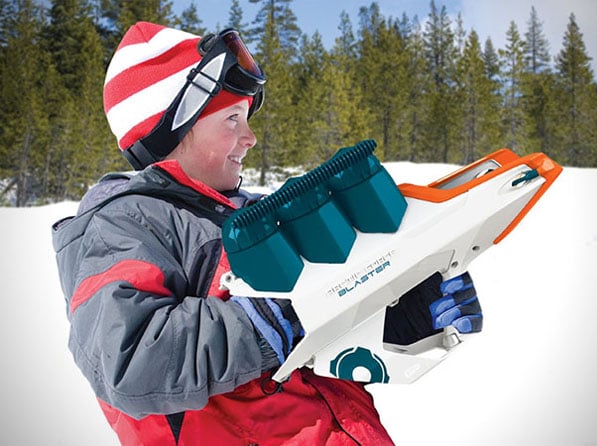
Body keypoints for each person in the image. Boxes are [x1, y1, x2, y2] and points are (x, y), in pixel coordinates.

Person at [52, 21, 483, 445]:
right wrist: (267, 316)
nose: (250, 137)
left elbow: (315, 341)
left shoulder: (254, 213)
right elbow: (128, 362)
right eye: (232, 119)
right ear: (174, 128)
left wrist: (406, 313)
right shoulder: (122, 224)